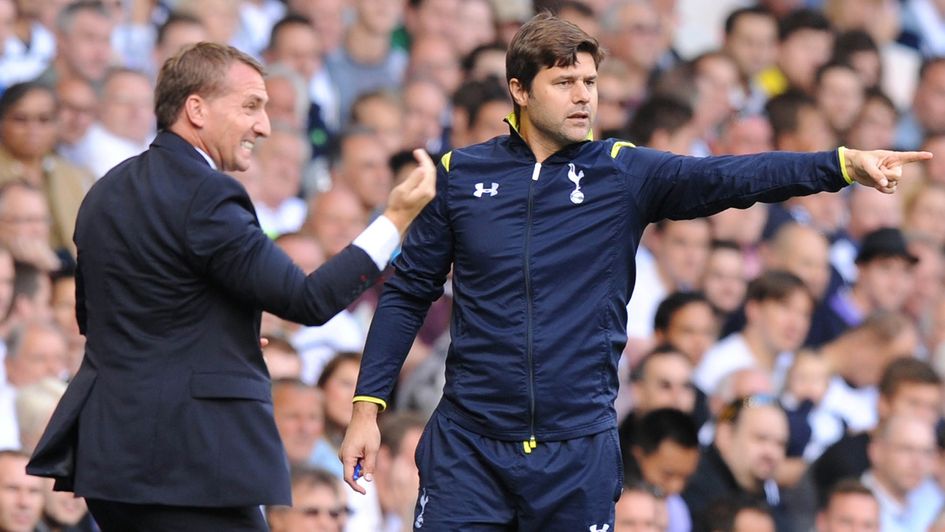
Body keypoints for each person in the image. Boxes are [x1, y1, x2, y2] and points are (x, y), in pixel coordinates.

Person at [340, 13, 931, 530]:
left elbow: (732, 177)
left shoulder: (622, 173)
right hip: (469, 446)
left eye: (590, 82)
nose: (583, 97)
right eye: (564, 81)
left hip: (576, 450)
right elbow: (408, 293)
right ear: (519, 90)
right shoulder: (458, 175)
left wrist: (841, 164)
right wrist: (368, 407)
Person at [25, 42, 435, 531]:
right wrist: (395, 220)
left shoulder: (106, 189)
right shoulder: (208, 193)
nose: (263, 125)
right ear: (195, 108)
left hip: (111, 457)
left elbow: (106, 320)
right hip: (188, 460)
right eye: (250, 106)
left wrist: (219, 336)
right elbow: (308, 300)